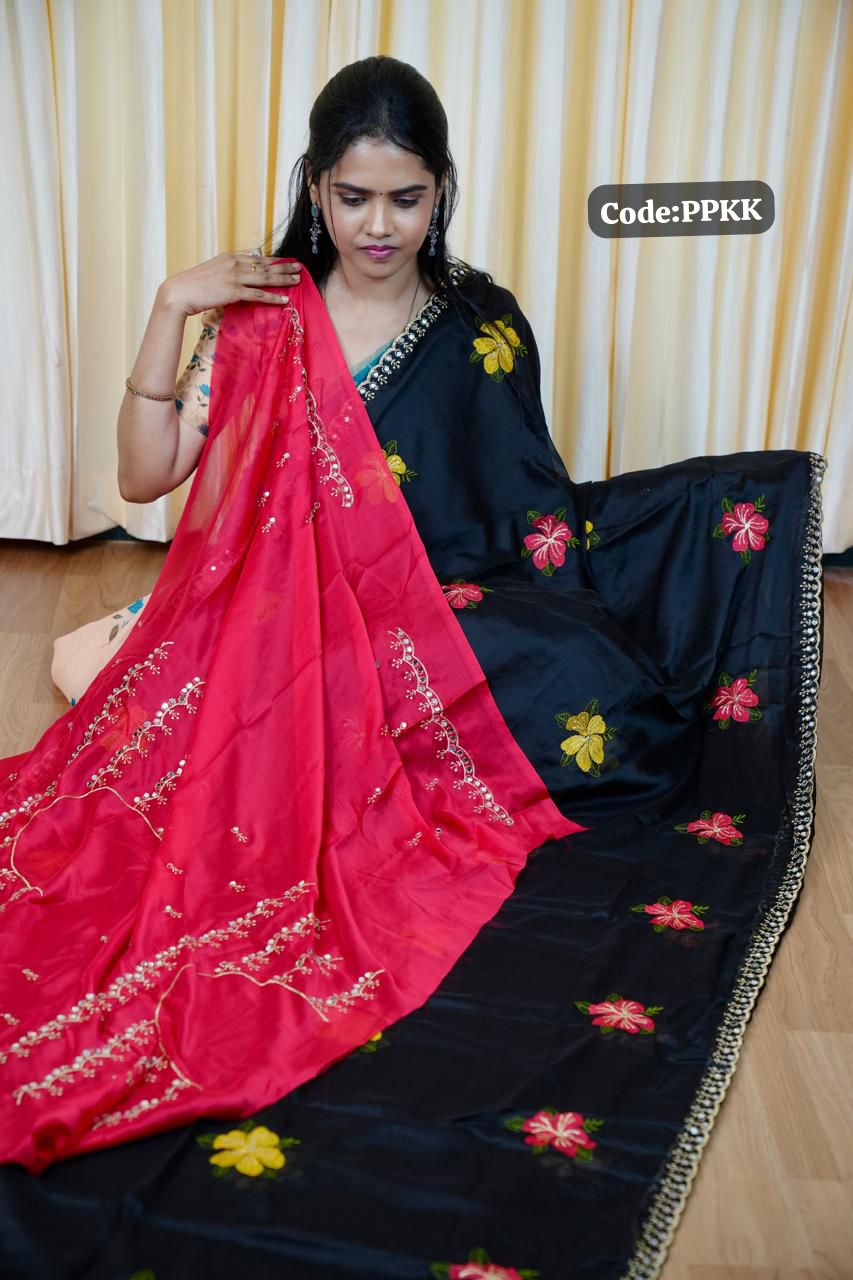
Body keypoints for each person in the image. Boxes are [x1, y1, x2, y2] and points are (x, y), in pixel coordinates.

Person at [0, 56, 825, 1280]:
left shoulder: (480, 324)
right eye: (352, 198)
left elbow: (529, 517)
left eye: (406, 198)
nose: (378, 226)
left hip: (441, 606)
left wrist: (427, 605)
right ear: (315, 191)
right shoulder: (260, 316)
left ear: (441, 190)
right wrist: (171, 305)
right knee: (273, 717)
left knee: (592, 683)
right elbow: (143, 473)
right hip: (277, 616)